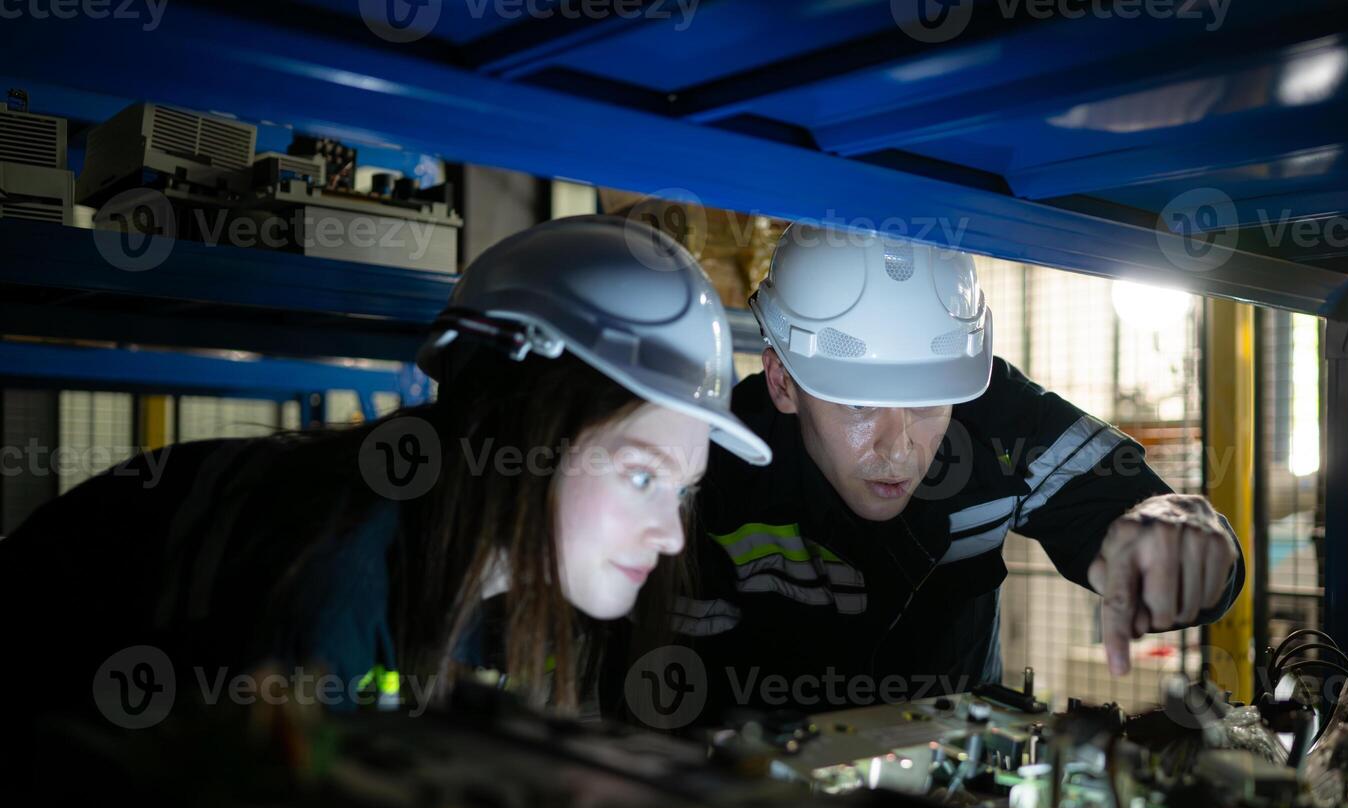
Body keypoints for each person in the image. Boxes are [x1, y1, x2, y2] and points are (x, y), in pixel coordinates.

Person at [0, 215, 770, 725]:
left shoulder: (492, 577)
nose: (671, 536)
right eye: (642, 476)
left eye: (683, 491)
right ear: (521, 430)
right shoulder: (329, 570)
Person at [620, 225, 1243, 727]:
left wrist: (1176, 535)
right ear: (784, 382)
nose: (897, 448)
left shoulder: (999, 418)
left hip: (953, 803)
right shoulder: (718, 470)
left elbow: (1138, 511)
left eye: (924, 403)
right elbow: (664, 706)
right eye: (860, 404)